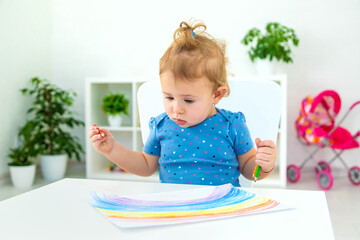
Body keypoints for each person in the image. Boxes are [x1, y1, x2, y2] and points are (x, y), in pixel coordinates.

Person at [88, 20, 277, 186]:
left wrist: (263, 166)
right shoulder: (161, 125)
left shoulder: (231, 125)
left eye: (188, 100)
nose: (176, 109)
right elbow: (146, 166)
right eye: (169, 97)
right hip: (175, 210)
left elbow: (248, 170)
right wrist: (112, 149)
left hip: (222, 210)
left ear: (217, 95)